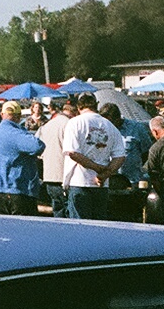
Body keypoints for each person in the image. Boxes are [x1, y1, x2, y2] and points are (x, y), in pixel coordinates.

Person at [61, 92, 123, 220]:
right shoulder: (110, 126)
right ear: (96, 105)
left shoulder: (74, 123)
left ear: (79, 107)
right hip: (101, 185)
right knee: (99, 226)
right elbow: (120, 156)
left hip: (79, 182)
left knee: (80, 228)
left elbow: (73, 153)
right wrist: (106, 173)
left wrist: (96, 168)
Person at [0, 100, 45, 215]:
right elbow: (38, 146)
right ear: (19, 117)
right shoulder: (17, 134)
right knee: (25, 230)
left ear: (2, 115)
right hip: (18, 189)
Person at [37, 99, 71, 217]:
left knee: (57, 210)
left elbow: (38, 150)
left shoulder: (45, 126)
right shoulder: (70, 124)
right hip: (65, 177)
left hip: (49, 176)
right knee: (69, 212)